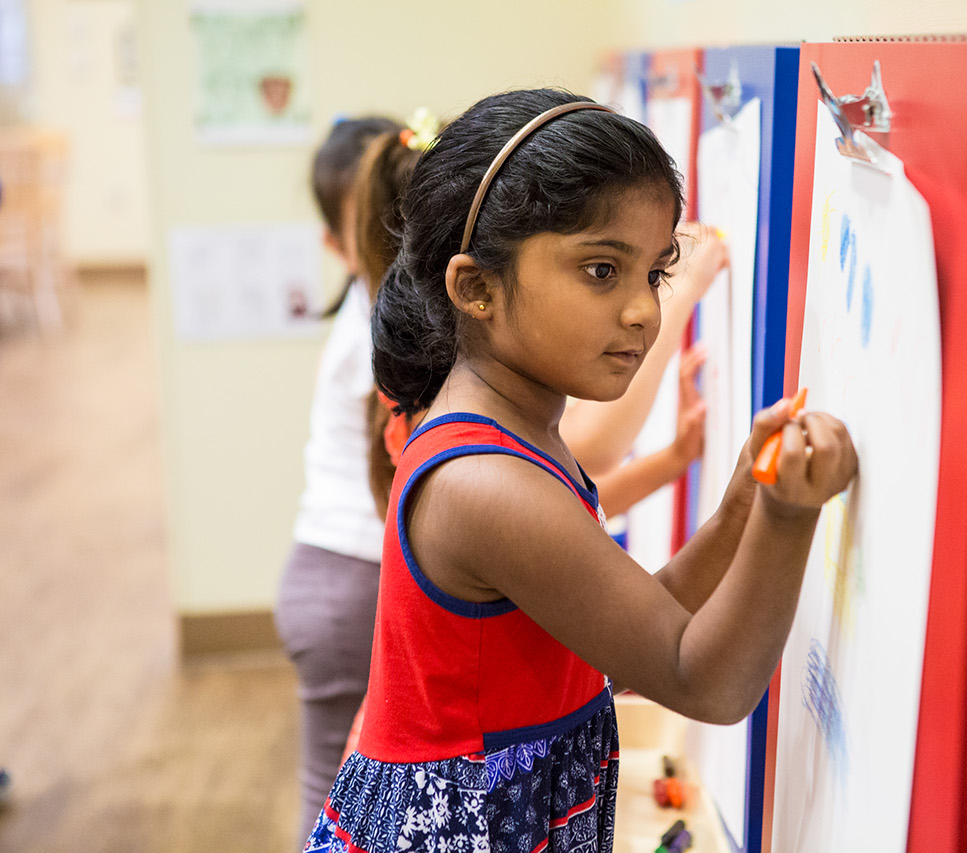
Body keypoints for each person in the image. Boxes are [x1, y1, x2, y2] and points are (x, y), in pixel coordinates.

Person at [304, 88, 856, 853]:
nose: (643, 311)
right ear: (477, 289)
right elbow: (704, 680)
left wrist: (740, 509)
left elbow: (626, 633)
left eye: (656, 274)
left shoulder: (522, 432)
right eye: (602, 271)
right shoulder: (486, 484)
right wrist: (788, 517)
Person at [273, 114, 403, 847]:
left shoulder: (381, 310)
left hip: (332, 580)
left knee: (336, 798)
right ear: (335, 245)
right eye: (379, 220)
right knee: (333, 804)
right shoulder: (377, 334)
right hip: (344, 584)